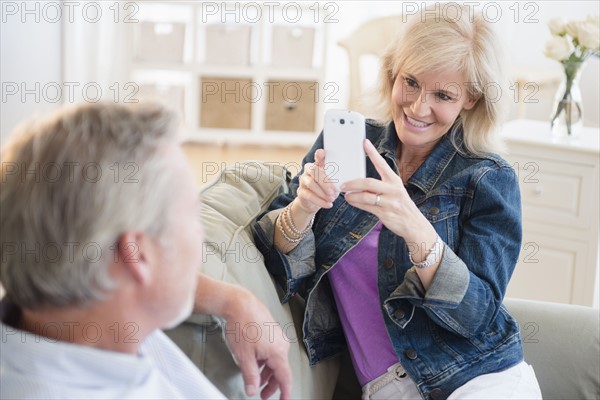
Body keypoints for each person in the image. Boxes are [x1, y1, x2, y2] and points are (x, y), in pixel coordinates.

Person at [253, 5, 542, 400]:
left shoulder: (488, 178)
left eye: (443, 95)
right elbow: (279, 263)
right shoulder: (348, 146)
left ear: (470, 99)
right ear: (393, 73)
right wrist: (303, 208)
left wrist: (418, 231)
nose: (419, 107)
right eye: (411, 82)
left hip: (479, 378)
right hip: (388, 388)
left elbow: (478, 316)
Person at [0, 102, 291, 400]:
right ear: (138, 255)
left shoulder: (91, 312)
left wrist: (233, 301)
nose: (200, 233)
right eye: (192, 215)